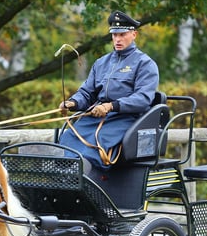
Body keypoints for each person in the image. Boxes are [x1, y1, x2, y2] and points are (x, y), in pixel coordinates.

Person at [58, 10, 159, 172]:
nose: (117, 39)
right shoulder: (101, 63)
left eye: (122, 34)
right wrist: (73, 102)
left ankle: (84, 180)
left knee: (94, 146)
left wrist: (110, 106)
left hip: (126, 119)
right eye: (114, 35)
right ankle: (64, 178)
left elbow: (142, 98)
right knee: (67, 139)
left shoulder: (145, 64)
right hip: (96, 116)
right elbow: (86, 93)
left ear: (134, 34)